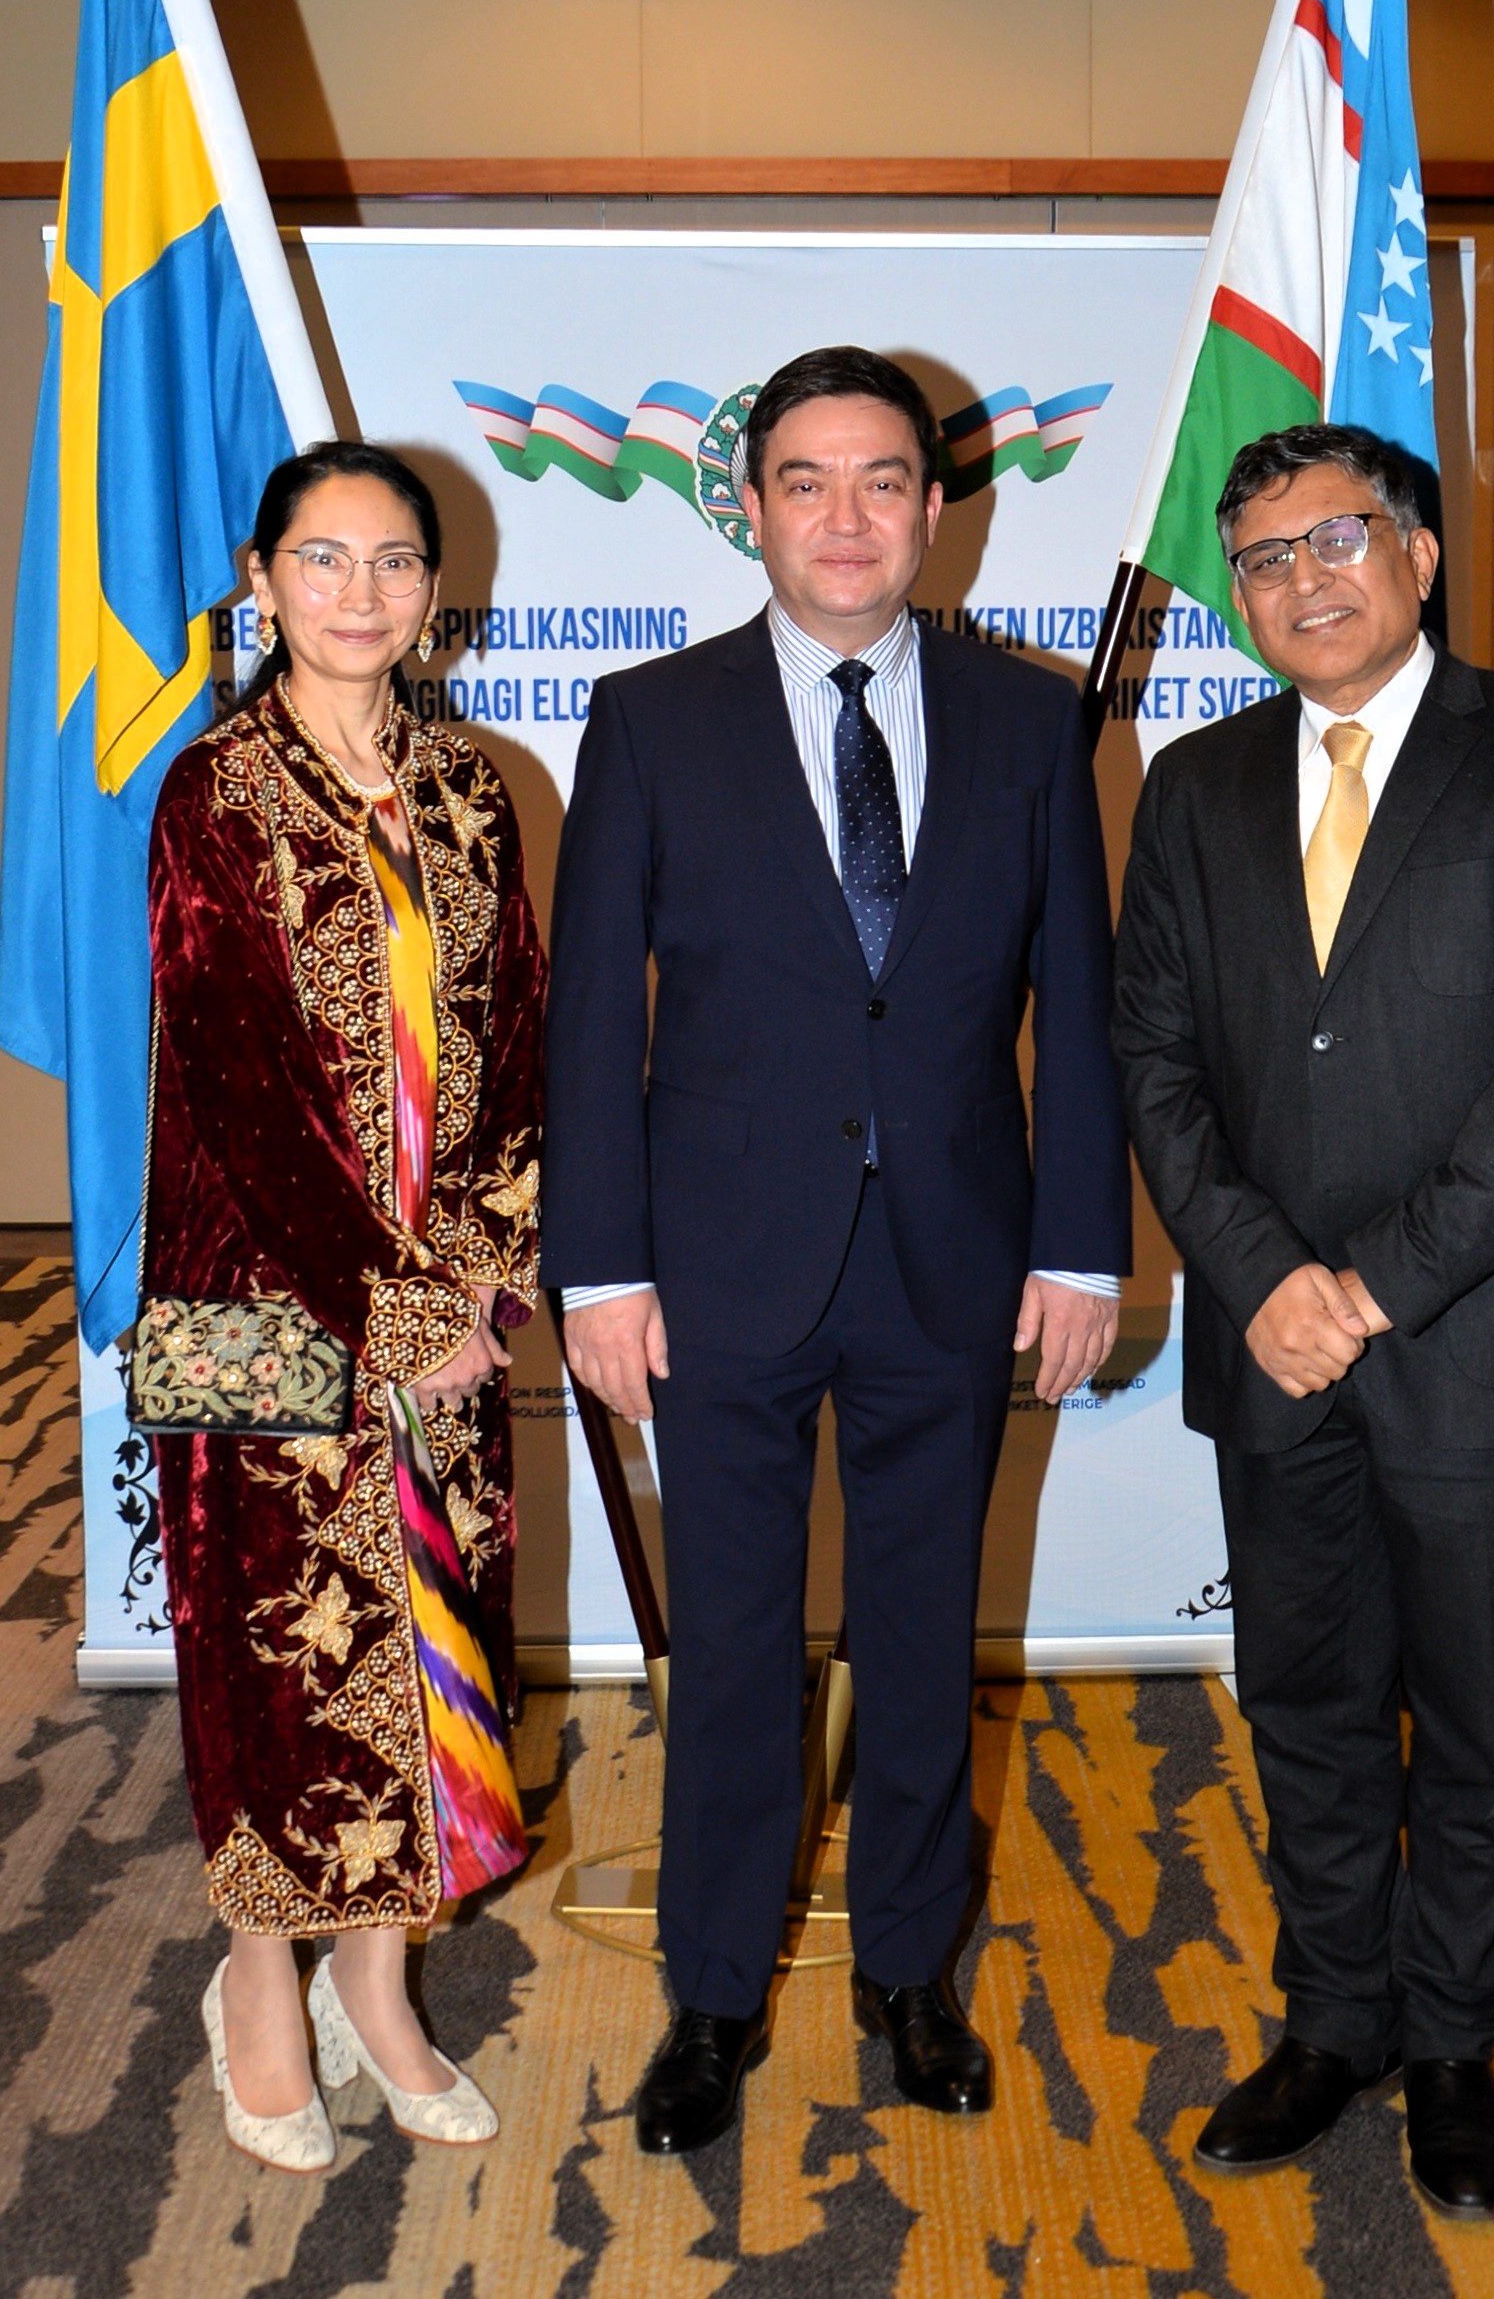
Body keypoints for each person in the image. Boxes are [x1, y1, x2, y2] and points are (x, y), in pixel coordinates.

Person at [541, 346, 1130, 2155]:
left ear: (934, 509)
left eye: (882, 480)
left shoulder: (1030, 723)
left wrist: (1082, 1248)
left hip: (953, 1261)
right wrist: (597, 1272)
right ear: (752, 509)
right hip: (714, 1267)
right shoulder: (650, 719)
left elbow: (1076, 1009)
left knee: (921, 1633)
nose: (847, 517)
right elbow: (591, 1019)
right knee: (730, 1646)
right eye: (806, 481)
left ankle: (906, 1973)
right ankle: (714, 1992)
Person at [1112, 422, 1494, 2220]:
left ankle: (1449, 2041)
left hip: (1473, 1336)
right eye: (1262, 557)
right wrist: (1264, 1279)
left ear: (1417, 556)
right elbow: (1154, 1058)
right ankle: (1333, 2018)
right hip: (1270, 1344)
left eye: (1336, 538)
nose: (1302, 579)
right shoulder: (1191, 785)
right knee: (1304, 1699)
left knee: (1475, 1715)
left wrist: (1371, 1285)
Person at [144, 440, 545, 2170]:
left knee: (437, 1647)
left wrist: (486, 1262)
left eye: (394, 562)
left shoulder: (468, 786)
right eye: (324, 559)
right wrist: (396, 1311)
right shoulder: (216, 791)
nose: (360, 593)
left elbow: (518, 1034)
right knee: (285, 1665)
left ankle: (377, 1989)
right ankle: (258, 1981)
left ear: (435, 592)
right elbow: (240, 1081)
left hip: (448, 1303)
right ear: (262, 580)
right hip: (270, 1307)